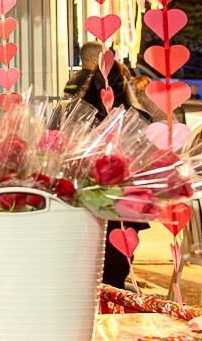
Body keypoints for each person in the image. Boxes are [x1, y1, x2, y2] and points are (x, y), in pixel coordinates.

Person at [63, 41, 147, 289]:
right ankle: (115, 299)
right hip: (126, 203)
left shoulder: (76, 112)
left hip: (86, 202)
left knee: (89, 265)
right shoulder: (137, 118)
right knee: (117, 264)